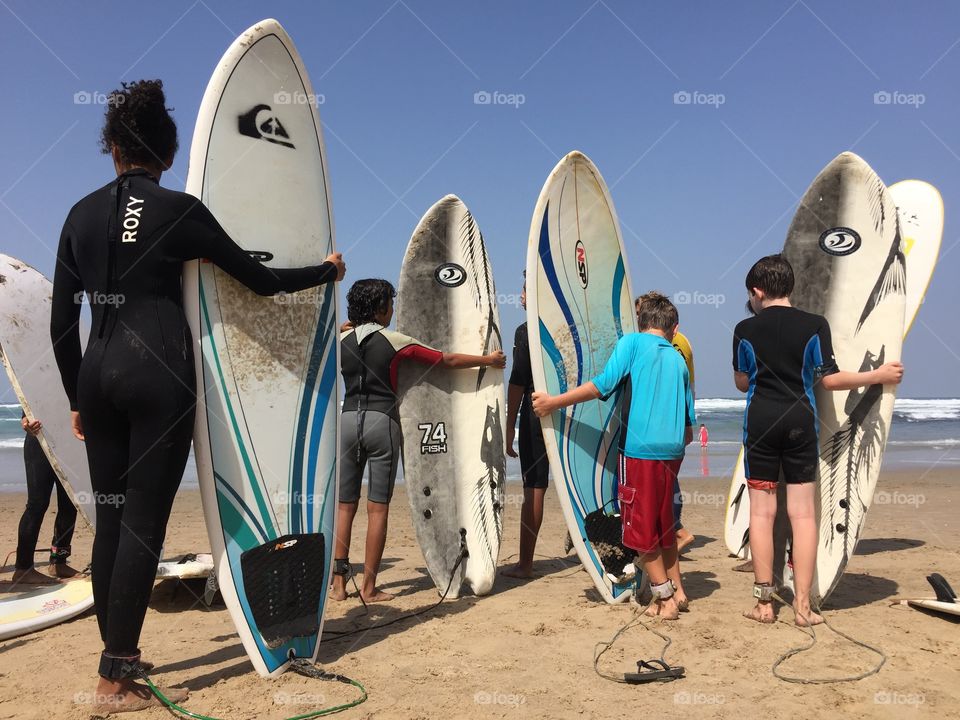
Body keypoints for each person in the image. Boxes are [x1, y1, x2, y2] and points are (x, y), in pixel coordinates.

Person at [51, 79, 345, 715]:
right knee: (143, 526)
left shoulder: (77, 215)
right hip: (158, 375)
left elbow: (58, 322)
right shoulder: (178, 211)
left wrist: (78, 395)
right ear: (169, 149)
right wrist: (325, 271)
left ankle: (117, 652)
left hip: (97, 373)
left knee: (112, 517)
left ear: (111, 149)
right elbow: (260, 282)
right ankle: (114, 679)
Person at [733, 254, 903, 626]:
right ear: (789, 287)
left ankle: (764, 605)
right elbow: (828, 379)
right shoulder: (814, 325)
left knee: (761, 513)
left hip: (760, 423)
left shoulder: (745, 330)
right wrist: (877, 375)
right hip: (799, 423)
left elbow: (742, 382)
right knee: (803, 514)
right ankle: (803, 607)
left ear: (757, 291)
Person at [331, 279, 505, 603]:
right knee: (377, 508)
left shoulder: (340, 341)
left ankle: (339, 586)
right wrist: (488, 360)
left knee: (345, 505)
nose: (393, 310)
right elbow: (446, 360)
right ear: (382, 309)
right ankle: (368, 588)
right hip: (381, 423)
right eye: (390, 305)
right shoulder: (395, 340)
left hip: (345, 423)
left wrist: (347, 328)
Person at [534, 293, 695, 619]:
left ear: (642, 322)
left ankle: (664, 601)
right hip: (673, 452)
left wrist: (553, 403)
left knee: (641, 529)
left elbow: (602, 385)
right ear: (672, 329)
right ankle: (679, 592)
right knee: (665, 527)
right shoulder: (679, 360)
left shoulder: (633, 344)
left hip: (640, 452)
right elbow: (690, 428)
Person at [502, 275, 549, 579]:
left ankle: (525, 564)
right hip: (563, 408)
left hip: (535, 412)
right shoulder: (563, 331)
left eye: (523, 289)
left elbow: (517, 382)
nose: (520, 295)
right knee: (542, 485)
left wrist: (509, 427)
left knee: (532, 487)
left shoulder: (526, 331)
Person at [12, 412, 78, 586]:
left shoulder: (77, 383)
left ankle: (59, 562)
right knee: (37, 504)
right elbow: (32, 393)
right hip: (39, 439)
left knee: (70, 504)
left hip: (69, 441)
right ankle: (23, 569)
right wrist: (24, 420)